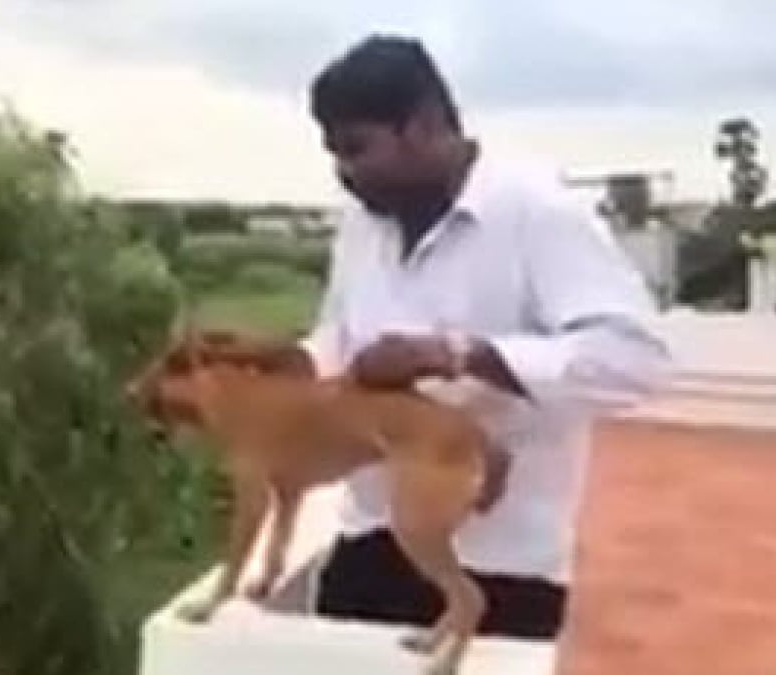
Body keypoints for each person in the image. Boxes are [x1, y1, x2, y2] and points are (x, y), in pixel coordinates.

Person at [237, 35, 672, 642]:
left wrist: (453, 355)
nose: (346, 174)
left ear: (422, 125)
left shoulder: (540, 214)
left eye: (358, 149)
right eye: (335, 154)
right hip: (368, 542)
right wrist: (295, 363)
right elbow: (341, 334)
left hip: (499, 565)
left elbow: (634, 360)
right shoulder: (365, 225)